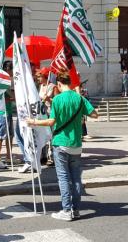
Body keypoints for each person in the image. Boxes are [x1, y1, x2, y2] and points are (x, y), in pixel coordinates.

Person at [27, 72, 98, 221]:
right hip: (76, 144)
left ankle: (66, 210)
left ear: (59, 84)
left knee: (63, 178)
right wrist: (80, 116)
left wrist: (33, 122)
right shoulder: (80, 98)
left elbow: (51, 122)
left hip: (61, 142)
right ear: (70, 83)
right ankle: (76, 210)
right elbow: (94, 114)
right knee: (76, 178)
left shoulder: (57, 99)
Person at [0, 61, 14, 170]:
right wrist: (13, 96)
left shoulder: (7, 80)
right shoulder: (2, 81)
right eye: (12, 69)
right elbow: (7, 96)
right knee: (0, 136)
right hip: (1, 112)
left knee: (10, 135)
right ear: (7, 69)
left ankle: (9, 156)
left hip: (8, 111)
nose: (13, 72)